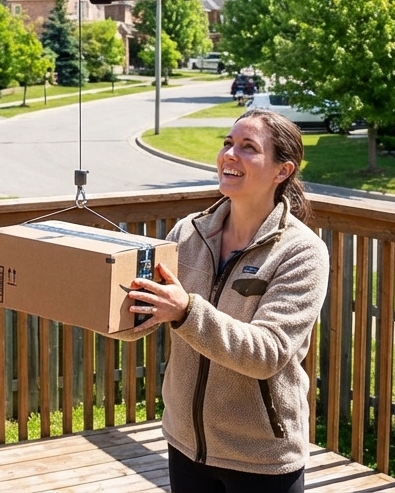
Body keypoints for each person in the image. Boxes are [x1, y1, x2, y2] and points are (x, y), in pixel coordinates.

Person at [121, 107, 329, 493]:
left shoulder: (302, 253)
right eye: (228, 143)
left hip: (260, 456)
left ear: (282, 171)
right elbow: (153, 313)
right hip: (185, 442)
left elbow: (267, 353)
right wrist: (110, 312)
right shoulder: (190, 232)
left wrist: (185, 311)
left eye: (248, 147)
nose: (230, 155)